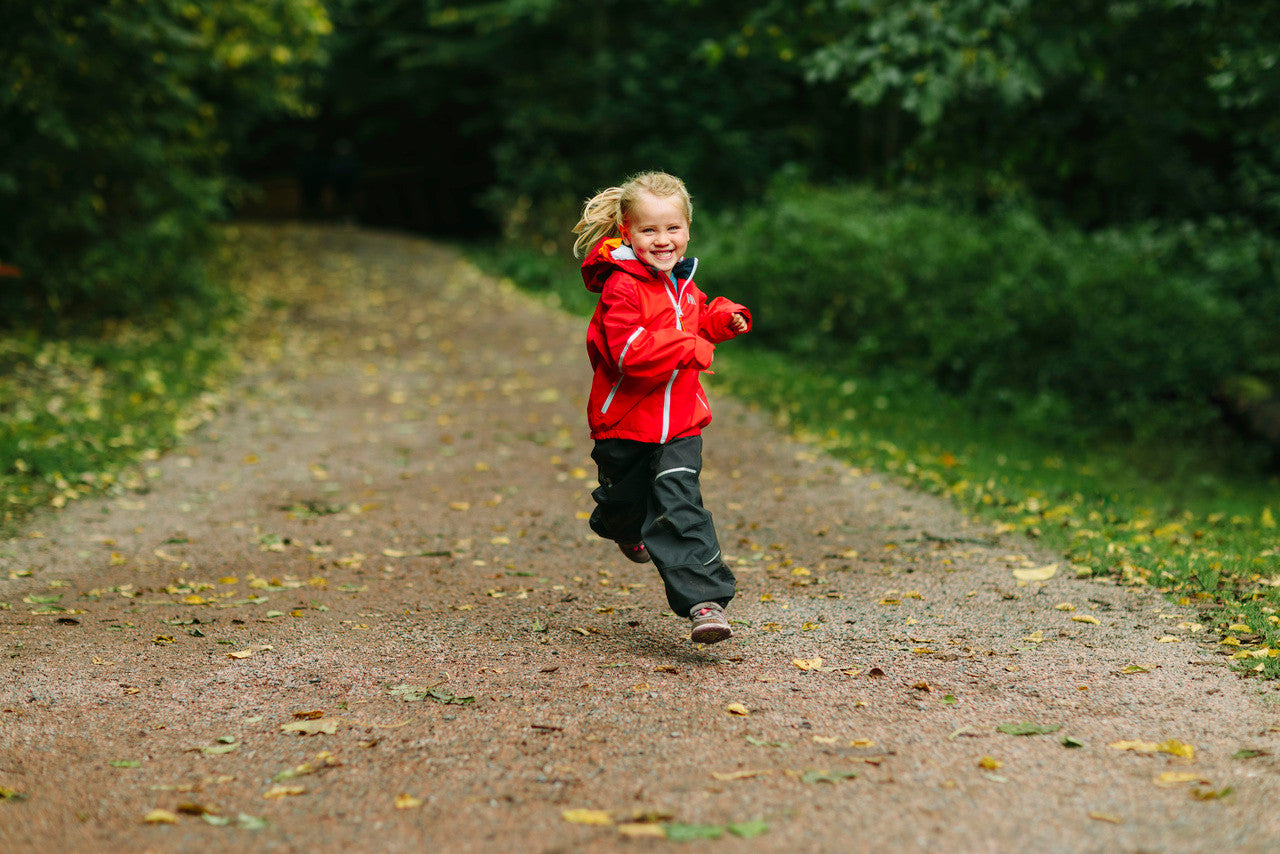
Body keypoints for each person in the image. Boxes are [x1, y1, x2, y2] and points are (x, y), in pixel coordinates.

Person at [572, 171, 752, 645]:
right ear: (626, 232)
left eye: (672, 228)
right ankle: (617, 521)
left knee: (680, 505)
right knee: (626, 506)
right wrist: (690, 347)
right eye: (649, 230)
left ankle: (704, 602)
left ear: (688, 228)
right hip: (624, 427)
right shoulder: (622, 288)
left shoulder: (681, 284)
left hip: (680, 426)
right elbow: (629, 353)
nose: (662, 239)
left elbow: (698, 313)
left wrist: (722, 318)